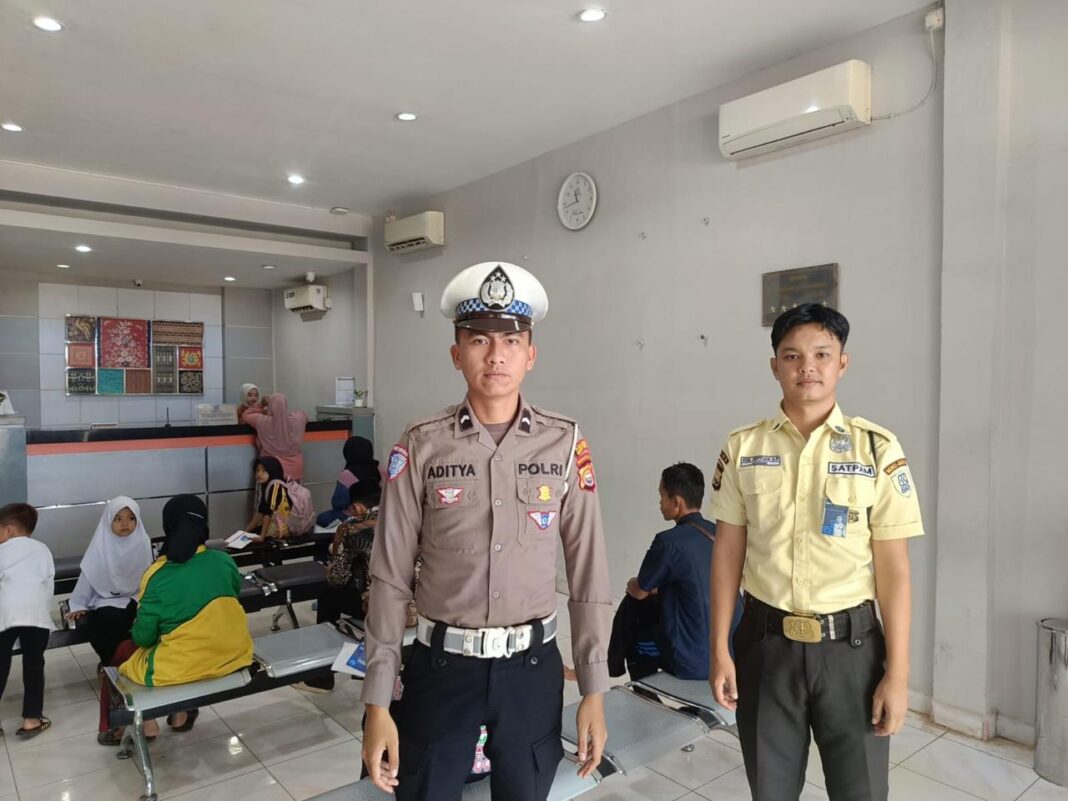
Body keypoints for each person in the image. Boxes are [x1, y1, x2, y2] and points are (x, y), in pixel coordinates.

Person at [361, 261, 612, 800]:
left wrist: (594, 687)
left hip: (532, 671)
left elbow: (588, 569)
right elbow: (389, 574)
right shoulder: (422, 444)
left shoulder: (564, 442)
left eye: (511, 341)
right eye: (479, 340)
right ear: (457, 354)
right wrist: (377, 700)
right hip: (442, 668)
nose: (496, 355)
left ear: (530, 354)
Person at [709, 304, 924, 801]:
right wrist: (718, 648)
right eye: (792, 356)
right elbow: (726, 556)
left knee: (860, 791)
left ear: (842, 363)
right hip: (766, 646)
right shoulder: (744, 448)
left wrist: (898, 674)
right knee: (771, 791)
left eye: (822, 355)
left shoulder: (877, 449)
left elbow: (894, 569)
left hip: (852, 652)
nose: (807, 367)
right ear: (775, 366)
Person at [107, 495, 253, 739]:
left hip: (181, 666)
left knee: (122, 653)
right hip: (233, 655)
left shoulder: (157, 574)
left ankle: (143, 724)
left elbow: (143, 637)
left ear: (168, 526)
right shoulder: (225, 561)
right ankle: (180, 715)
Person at [621, 463, 741, 680]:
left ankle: (642, 689)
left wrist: (631, 584)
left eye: (662, 496)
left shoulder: (668, 542)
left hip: (692, 663)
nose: (660, 503)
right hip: (732, 654)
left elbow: (639, 591)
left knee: (632, 618)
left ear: (677, 502)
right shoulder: (719, 533)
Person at [300, 480, 382, 693]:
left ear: (357, 507)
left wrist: (332, 565)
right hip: (414, 605)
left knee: (327, 596)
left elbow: (338, 577)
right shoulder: (406, 521)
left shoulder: (353, 529)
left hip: (378, 606)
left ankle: (323, 677)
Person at [66, 497, 153, 669]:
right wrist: (79, 604)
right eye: (118, 519)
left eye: (131, 518)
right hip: (106, 600)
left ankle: (136, 664)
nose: (125, 524)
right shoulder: (100, 545)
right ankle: (111, 667)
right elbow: (89, 576)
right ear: (108, 521)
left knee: (146, 619)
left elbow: (149, 576)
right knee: (109, 623)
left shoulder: (143, 542)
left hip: (137, 597)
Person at [0, 503, 55, 739]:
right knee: (34, 664)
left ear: (9, 530)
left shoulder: (2, 550)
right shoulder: (42, 549)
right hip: (36, 614)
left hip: (5, 613)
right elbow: (48, 582)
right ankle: (32, 719)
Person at [317, 435, 381, 528]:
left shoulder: (348, 474)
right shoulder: (381, 470)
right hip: (378, 515)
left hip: (352, 516)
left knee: (321, 518)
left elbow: (338, 503)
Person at [245, 456, 314, 541]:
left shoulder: (276, 486)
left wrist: (261, 537)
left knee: (256, 537)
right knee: (252, 533)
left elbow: (268, 512)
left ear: (272, 470)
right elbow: (260, 511)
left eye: (263, 470)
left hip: (282, 529)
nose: (259, 474)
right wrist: (246, 531)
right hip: (274, 524)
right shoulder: (265, 485)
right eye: (257, 470)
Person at [245, 392, 308, 481]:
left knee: (271, 490)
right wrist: (285, 414)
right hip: (295, 470)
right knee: (294, 490)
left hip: (270, 470)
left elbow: (246, 414)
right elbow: (303, 413)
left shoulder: (263, 421)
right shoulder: (297, 420)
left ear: (270, 406)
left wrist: (261, 404)